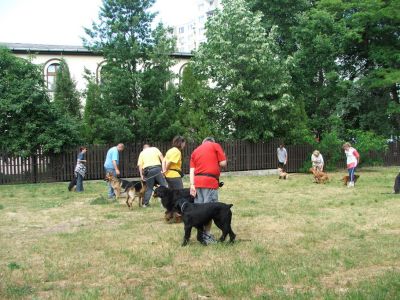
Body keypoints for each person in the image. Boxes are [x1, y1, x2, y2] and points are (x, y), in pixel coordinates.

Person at [190, 137, 227, 244]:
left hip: (197, 183)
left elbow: (192, 170)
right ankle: (207, 236)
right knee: (209, 210)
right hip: (209, 182)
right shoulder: (215, 145)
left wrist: (192, 185)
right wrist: (223, 156)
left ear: (203, 143)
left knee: (199, 210)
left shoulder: (195, 151)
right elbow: (223, 163)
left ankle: (200, 235)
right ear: (212, 141)